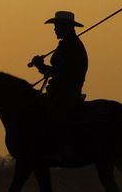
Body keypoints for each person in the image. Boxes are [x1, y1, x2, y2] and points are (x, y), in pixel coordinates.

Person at [31, 11, 88, 159]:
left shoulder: (73, 46)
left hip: (67, 92)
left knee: (53, 116)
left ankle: (63, 149)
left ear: (66, 27)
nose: (55, 29)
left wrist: (40, 66)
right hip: (58, 90)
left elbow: (60, 73)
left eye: (57, 26)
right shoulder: (65, 44)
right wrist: (41, 66)